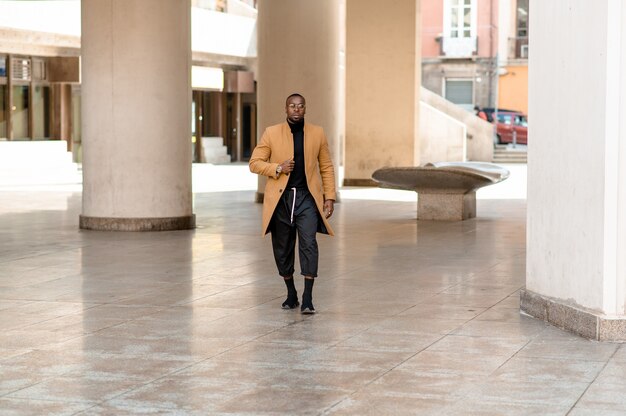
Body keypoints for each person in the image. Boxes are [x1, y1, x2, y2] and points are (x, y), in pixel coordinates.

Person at [249, 93, 336, 314]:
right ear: (286, 109)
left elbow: (326, 167)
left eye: (300, 106)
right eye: (292, 106)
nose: (296, 109)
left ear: (305, 109)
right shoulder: (271, 133)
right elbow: (255, 163)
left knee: (309, 244)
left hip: (307, 198)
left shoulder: (317, 133)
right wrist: (277, 167)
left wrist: (329, 197)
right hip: (281, 200)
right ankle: (291, 293)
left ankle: (307, 297)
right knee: (283, 249)